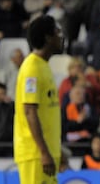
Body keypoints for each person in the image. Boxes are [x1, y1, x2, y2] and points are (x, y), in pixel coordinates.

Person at [13, 15, 68, 184]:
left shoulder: (43, 66)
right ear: (47, 37)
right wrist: (44, 152)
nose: (61, 36)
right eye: (57, 32)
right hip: (35, 154)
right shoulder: (32, 69)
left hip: (47, 153)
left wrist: (56, 149)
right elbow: (29, 111)